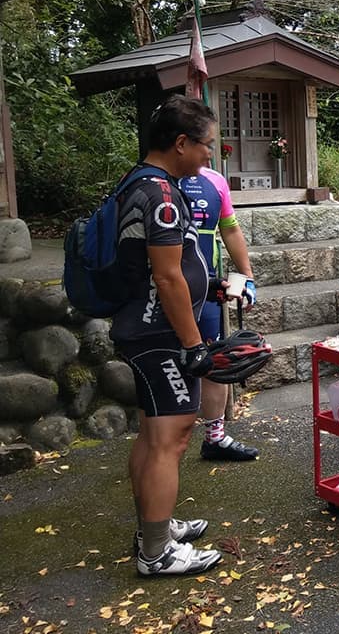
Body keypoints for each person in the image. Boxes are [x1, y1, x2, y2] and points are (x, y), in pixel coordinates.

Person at [110, 95, 224, 577]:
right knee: (171, 438)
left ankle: (153, 528)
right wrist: (195, 344)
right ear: (181, 143)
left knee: (153, 432)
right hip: (159, 334)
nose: (209, 157)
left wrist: (211, 284)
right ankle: (155, 553)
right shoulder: (160, 196)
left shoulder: (143, 182)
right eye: (206, 146)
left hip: (146, 328)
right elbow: (168, 277)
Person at [180, 165, 260, 461]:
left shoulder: (214, 181)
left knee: (213, 362)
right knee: (166, 362)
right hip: (161, 290)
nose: (208, 150)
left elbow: (229, 228)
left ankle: (214, 438)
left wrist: (246, 276)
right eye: (204, 141)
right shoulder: (155, 179)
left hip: (208, 286)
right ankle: (158, 444)